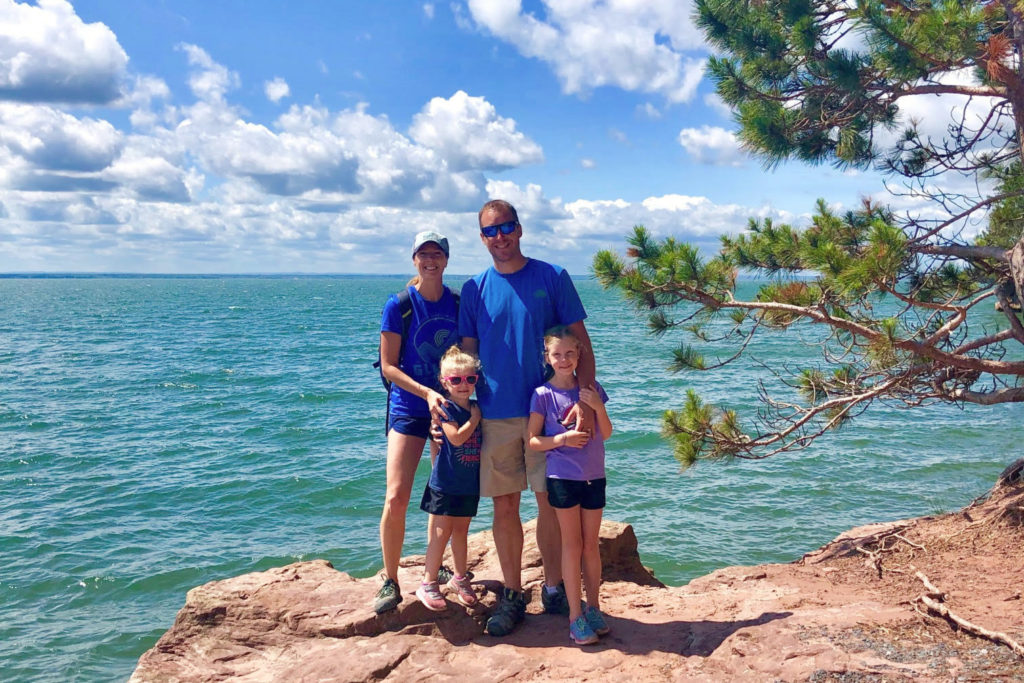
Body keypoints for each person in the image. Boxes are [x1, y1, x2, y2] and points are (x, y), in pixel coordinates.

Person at [458, 199, 598, 636]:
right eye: (491, 231)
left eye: (507, 228)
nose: (500, 237)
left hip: (549, 413)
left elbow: (582, 345)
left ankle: (554, 587)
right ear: (482, 239)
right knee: (505, 505)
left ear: (520, 230)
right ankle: (515, 593)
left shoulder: (552, 276)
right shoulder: (474, 288)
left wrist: (586, 405)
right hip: (497, 413)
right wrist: (455, 411)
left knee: (551, 505)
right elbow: (467, 356)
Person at [374, 231, 459, 614]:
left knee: (443, 495)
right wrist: (426, 392)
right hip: (409, 407)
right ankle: (390, 579)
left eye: (436, 254)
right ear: (414, 260)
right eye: (423, 254)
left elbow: (468, 355)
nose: (430, 260)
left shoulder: (458, 303)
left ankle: (435, 567)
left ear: (446, 259)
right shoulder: (399, 305)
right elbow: (389, 366)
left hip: (447, 408)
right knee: (396, 495)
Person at [528, 327, 613, 645]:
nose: (564, 360)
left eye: (570, 354)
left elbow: (606, 433)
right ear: (547, 358)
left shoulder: (591, 389)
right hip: (562, 478)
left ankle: (594, 607)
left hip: (594, 476)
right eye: (557, 354)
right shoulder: (542, 395)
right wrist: (562, 439)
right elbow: (533, 441)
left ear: (579, 356)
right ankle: (574, 617)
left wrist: (597, 406)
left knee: (591, 545)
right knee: (571, 545)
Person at [415, 346, 483, 611]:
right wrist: (475, 420)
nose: (463, 385)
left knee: (462, 532)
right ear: (444, 382)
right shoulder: (446, 408)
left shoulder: (476, 406)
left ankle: (459, 577)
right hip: (445, 484)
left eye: (470, 379)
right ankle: (428, 582)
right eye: (455, 380)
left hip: (468, 483)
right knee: (441, 533)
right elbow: (455, 438)